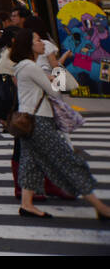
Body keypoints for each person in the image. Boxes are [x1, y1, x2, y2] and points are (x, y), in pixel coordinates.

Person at [11, 27, 110, 221]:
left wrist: (51, 71)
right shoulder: (30, 66)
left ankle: (26, 204)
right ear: (29, 45)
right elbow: (56, 90)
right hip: (39, 120)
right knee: (67, 161)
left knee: (30, 163)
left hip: (28, 120)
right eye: (38, 40)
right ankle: (100, 207)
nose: (42, 44)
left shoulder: (23, 66)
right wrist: (56, 65)